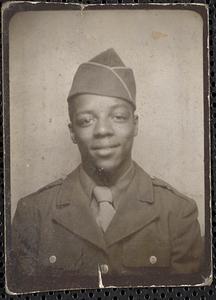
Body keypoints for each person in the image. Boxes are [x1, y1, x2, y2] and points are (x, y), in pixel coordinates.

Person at [9, 49, 202, 292]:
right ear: (72, 132)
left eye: (118, 117)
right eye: (86, 120)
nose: (102, 130)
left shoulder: (177, 213)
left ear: (135, 124)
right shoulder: (33, 213)